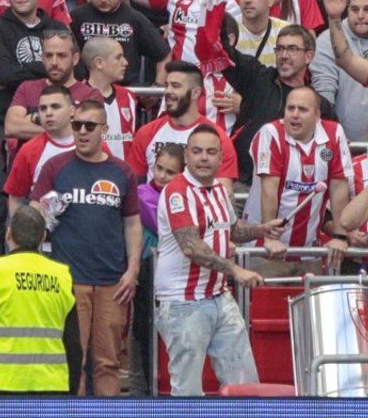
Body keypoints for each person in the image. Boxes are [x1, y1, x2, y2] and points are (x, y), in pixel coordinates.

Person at [155, 123, 281, 395]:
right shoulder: (177, 191)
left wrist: (261, 229)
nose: (204, 158)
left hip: (219, 296)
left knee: (244, 383)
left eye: (211, 152)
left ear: (221, 157)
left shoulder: (219, 191)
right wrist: (235, 270)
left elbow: (231, 229)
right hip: (183, 301)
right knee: (187, 391)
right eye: (197, 151)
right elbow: (191, 247)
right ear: (186, 155)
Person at [29, 99, 142, 394]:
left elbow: (132, 224)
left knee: (108, 362)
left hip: (112, 281)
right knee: (71, 361)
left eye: (89, 126)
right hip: (68, 280)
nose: (81, 131)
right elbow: (32, 218)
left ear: (104, 129)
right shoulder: (55, 166)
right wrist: (44, 212)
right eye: (77, 124)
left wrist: (132, 270)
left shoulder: (122, 171)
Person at [0, 203, 82, 395]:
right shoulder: (62, 275)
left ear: (8, 234)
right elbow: (73, 344)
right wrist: (72, 391)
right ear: (43, 237)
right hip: (52, 387)